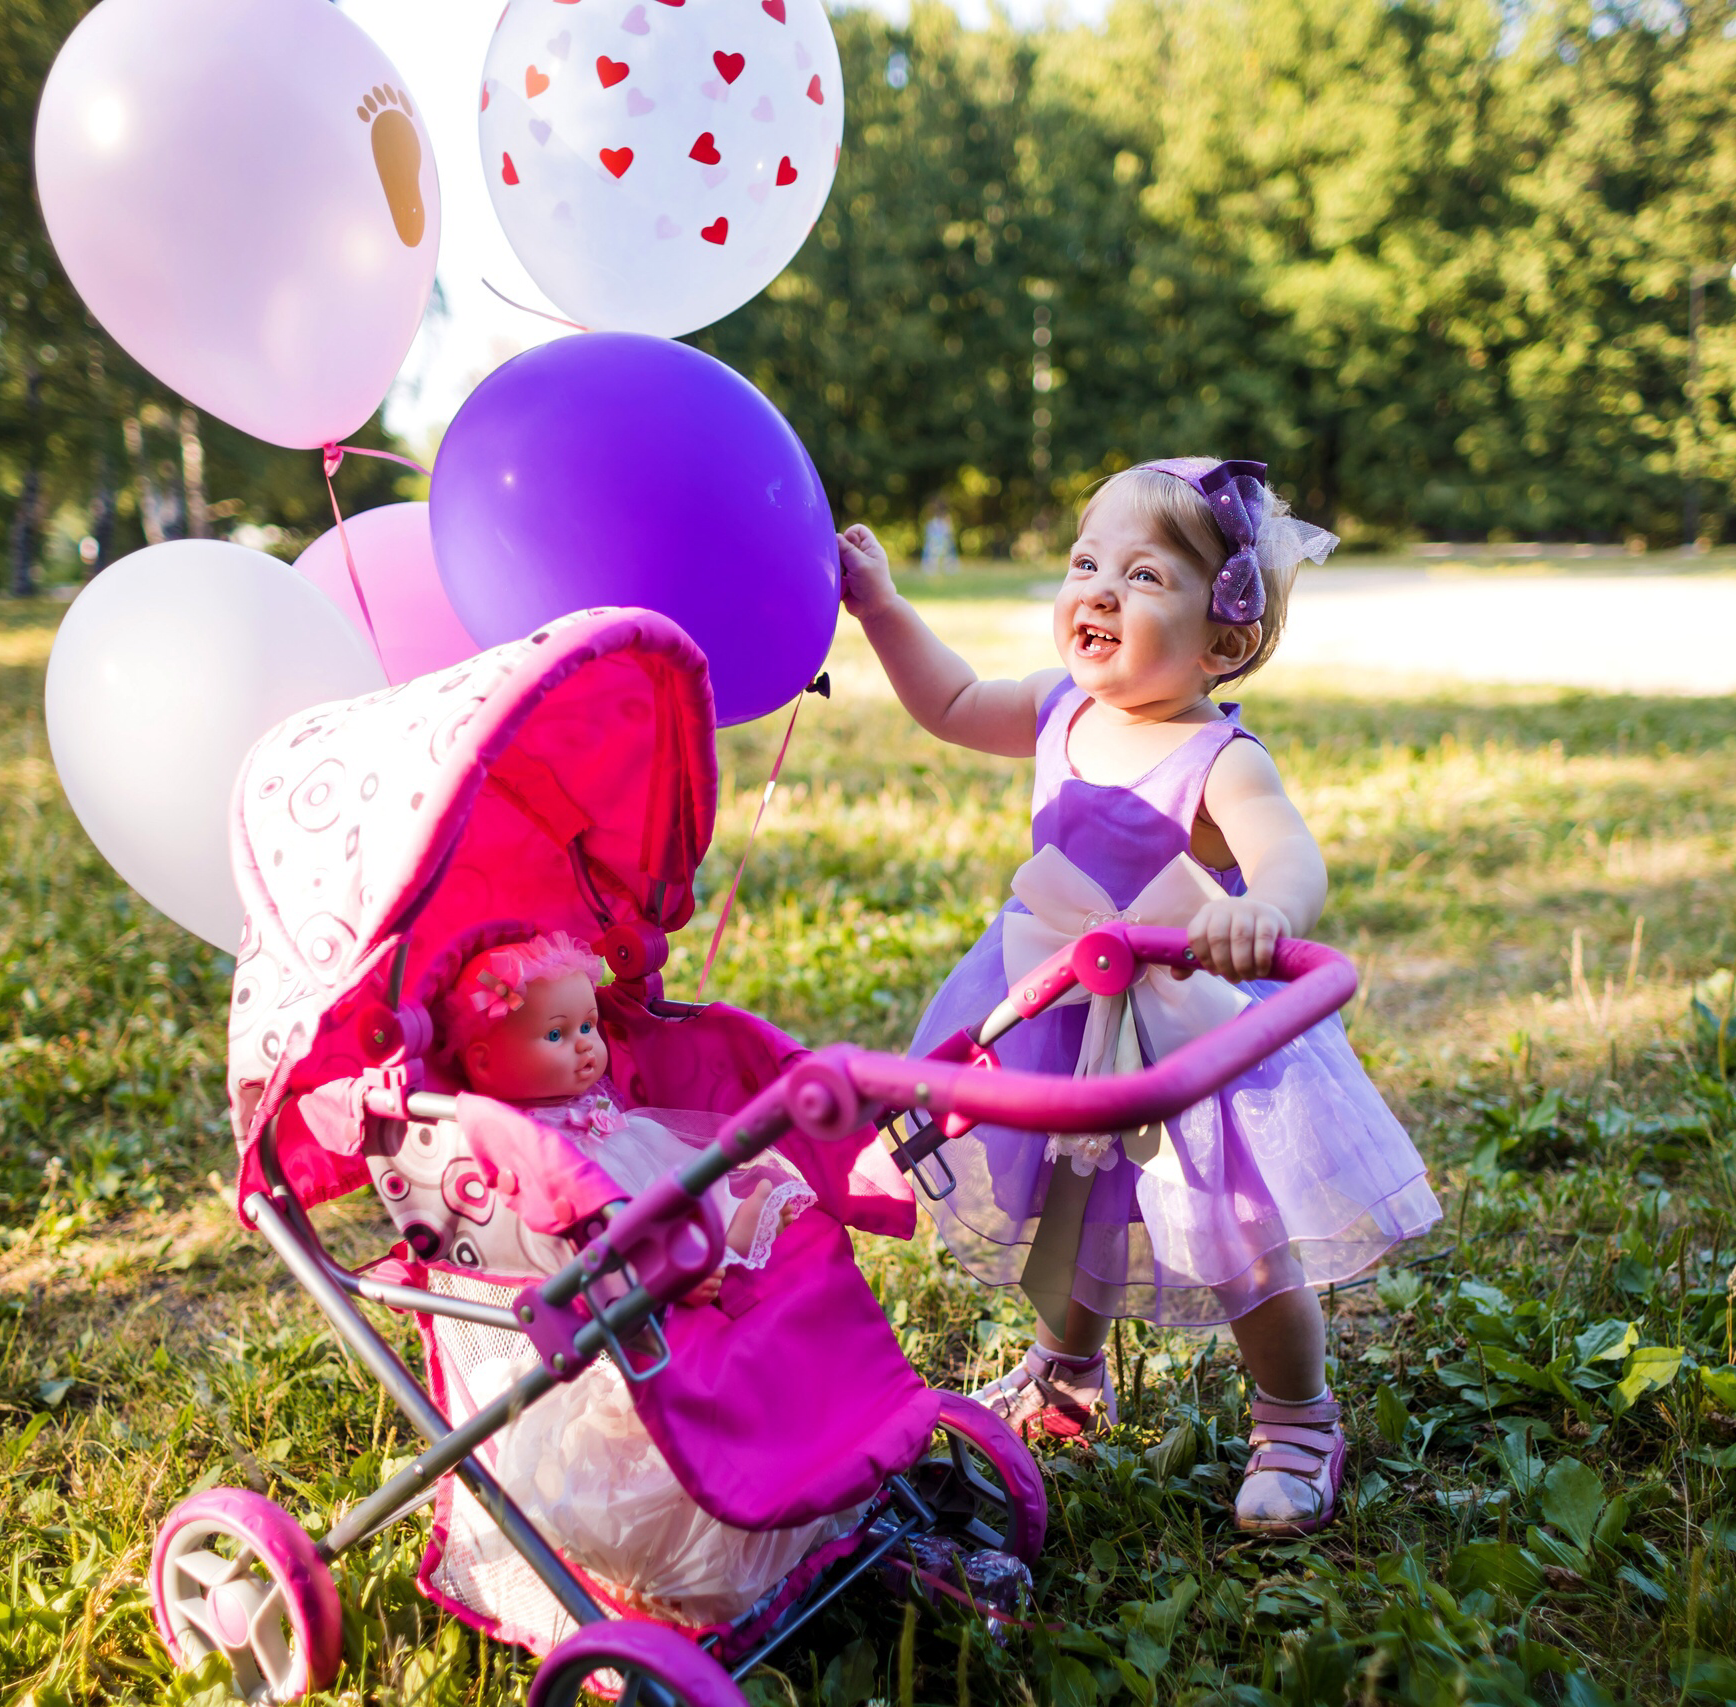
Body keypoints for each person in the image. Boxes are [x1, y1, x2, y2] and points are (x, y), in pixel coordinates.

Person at [836, 459, 1440, 1537]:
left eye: (1145, 576)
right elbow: (951, 701)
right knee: (1070, 1199)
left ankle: (1296, 1417)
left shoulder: (1219, 756)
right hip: (1063, 1003)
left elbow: (1289, 855)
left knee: (1236, 1227)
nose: (1100, 592)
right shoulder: (1055, 706)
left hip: (1181, 1019)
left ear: (1223, 643)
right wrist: (880, 607)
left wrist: (1264, 912)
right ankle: (1066, 1373)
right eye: (1086, 564)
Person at [378, 933, 835, 1624]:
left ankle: (722, 1243)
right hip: (595, 1270)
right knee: (620, 1381)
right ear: (484, 1060)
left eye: (589, 1026)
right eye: (556, 1034)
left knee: (697, 1189)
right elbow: (555, 1250)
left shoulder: (601, 1111)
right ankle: (685, 1269)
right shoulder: (503, 1151)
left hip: (629, 1194)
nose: (586, 1046)